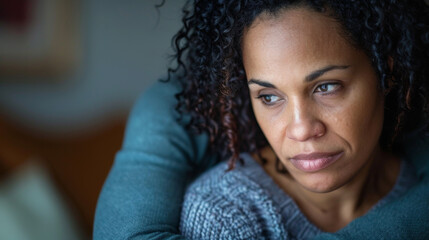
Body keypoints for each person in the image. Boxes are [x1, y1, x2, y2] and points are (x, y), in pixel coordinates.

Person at [93, 0, 429, 239]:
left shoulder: (412, 163)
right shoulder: (225, 215)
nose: (300, 129)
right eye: (269, 97)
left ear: (389, 72)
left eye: (327, 87)